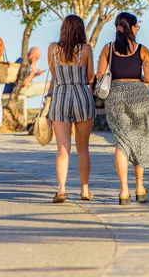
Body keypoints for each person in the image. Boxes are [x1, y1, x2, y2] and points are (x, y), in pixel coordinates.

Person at [96, 12, 149, 205]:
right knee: (138, 140)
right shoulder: (142, 50)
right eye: (136, 26)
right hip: (139, 95)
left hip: (115, 96)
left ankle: (123, 192)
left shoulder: (108, 49)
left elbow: (99, 75)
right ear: (130, 28)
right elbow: (148, 78)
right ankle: (139, 187)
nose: (138, 29)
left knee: (122, 143)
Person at [48, 15, 97, 204]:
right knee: (83, 147)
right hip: (81, 96)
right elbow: (90, 76)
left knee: (62, 149)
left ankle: (61, 189)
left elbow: (53, 73)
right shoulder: (85, 50)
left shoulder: (52, 50)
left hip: (60, 96)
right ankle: (85, 189)